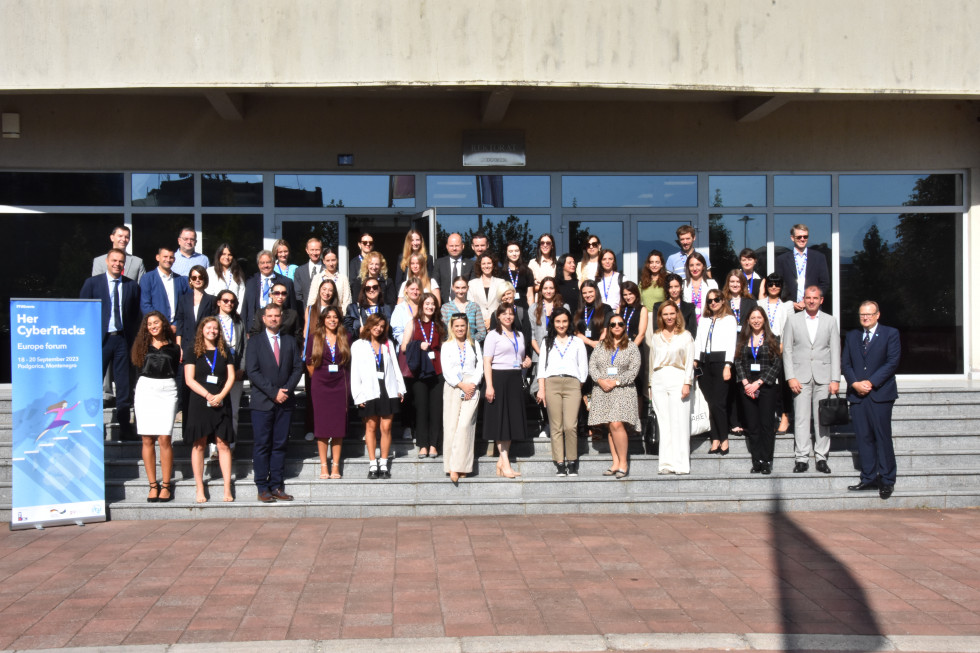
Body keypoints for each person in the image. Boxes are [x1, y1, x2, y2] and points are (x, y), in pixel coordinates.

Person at [80, 248, 141, 439]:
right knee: (93, 381)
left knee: (123, 384)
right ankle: (91, 424)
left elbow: (135, 316)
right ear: (107, 261)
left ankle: (124, 426)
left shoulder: (131, 286)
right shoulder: (92, 284)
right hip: (100, 340)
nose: (117, 264)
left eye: (121, 261)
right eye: (114, 260)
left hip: (123, 339)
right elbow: (83, 311)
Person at [842, 300, 901, 500]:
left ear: (877, 315)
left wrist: (871, 382)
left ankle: (886, 479)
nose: (865, 317)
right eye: (862, 315)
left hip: (880, 395)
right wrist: (855, 383)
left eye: (869, 314)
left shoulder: (890, 334)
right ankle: (868, 478)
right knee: (864, 437)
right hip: (858, 395)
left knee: (882, 437)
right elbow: (846, 363)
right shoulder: (852, 336)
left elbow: (892, 362)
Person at [246, 303, 303, 503]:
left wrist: (285, 390)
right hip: (262, 403)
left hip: (285, 402)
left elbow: (298, 367)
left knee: (280, 445)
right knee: (262, 445)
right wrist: (273, 392)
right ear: (263, 318)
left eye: (276, 315)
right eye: (269, 316)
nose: (273, 319)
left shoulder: (289, 341)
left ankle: (277, 485)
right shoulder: (254, 342)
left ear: (281, 318)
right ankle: (262, 486)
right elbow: (252, 371)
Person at [783, 286, 840, 474]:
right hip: (800, 377)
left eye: (815, 298)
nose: (811, 301)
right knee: (800, 419)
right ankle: (802, 458)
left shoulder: (831, 321)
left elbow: (835, 351)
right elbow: (788, 350)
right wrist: (790, 376)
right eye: (808, 298)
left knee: (822, 419)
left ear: (821, 300)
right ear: (804, 299)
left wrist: (835, 379)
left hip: (823, 377)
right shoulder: (793, 320)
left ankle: (821, 457)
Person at [184, 317, 236, 503]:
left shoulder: (225, 351)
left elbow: (231, 377)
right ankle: (199, 488)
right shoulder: (192, 351)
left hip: (222, 401)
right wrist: (208, 396)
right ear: (202, 330)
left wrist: (220, 396)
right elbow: (189, 379)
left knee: (223, 444)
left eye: (215, 328)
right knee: (199, 444)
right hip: (200, 401)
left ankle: (227, 488)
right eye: (208, 327)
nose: (212, 331)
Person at [130, 311, 180, 502]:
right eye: (149, 323)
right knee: (147, 438)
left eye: (156, 322)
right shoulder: (140, 346)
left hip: (167, 390)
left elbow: (175, 371)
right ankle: (152, 485)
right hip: (146, 389)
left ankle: (166, 485)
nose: (153, 326)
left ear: (163, 324)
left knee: (165, 437)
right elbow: (137, 370)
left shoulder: (174, 348)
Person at [350, 314, 406, 480]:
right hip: (368, 391)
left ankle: (383, 462)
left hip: (388, 389)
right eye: (375, 325)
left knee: (386, 427)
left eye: (382, 326)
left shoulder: (387, 344)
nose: (378, 328)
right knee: (371, 427)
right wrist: (358, 396)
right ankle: (372, 463)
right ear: (369, 325)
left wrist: (400, 388)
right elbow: (355, 372)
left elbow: (395, 367)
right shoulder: (358, 345)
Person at [535, 307, 588, 476]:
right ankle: (559, 462)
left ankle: (572, 460)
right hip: (552, 383)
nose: (561, 324)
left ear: (569, 322)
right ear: (553, 323)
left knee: (570, 425)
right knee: (556, 426)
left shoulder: (577, 341)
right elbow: (541, 368)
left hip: (573, 384)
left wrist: (578, 386)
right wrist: (541, 389)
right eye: (558, 321)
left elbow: (583, 368)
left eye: (564, 321)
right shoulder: (547, 341)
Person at [483, 303, 533, 478]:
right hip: (498, 378)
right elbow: (487, 362)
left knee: (510, 421)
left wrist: (526, 363)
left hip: (515, 379)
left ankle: (501, 462)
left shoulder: (519, 335)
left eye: (511, 313)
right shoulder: (492, 335)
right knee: (501, 422)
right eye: (504, 314)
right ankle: (506, 464)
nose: (508, 316)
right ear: (498, 316)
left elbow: (521, 358)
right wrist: (489, 385)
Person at [588, 314, 641, 479]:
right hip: (603, 390)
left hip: (623, 390)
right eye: (613, 324)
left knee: (617, 424)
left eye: (620, 323)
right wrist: (600, 380)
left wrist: (617, 381)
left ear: (625, 326)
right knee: (610, 426)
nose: (616, 326)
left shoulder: (631, 347)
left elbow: (633, 371)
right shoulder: (601, 346)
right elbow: (592, 366)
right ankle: (615, 462)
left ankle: (623, 463)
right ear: (608, 327)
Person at [734, 307, 782, 475]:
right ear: (748, 320)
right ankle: (757, 460)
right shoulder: (742, 340)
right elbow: (738, 362)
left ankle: (767, 460)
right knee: (753, 426)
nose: (756, 320)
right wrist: (747, 383)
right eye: (752, 317)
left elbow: (776, 364)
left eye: (759, 317)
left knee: (766, 425)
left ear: (764, 320)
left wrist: (759, 383)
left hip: (766, 387)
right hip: (747, 387)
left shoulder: (773, 338)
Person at [649, 302, 694, 475]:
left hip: (678, 377)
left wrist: (687, 383)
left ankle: (681, 464)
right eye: (665, 314)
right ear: (660, 316)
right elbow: (652, 362)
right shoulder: (656, 336)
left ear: (677, 315)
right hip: (659, 379)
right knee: (664, 422)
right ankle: (666, 464)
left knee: (680, 422)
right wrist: (651, 384)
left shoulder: (685, 336)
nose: (669, 317)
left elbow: (689, 360)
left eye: (672, 313)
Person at [306, 305, 351, 480]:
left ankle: (336, 466)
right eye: (328, 317)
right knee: (323, 428)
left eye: (335, 317)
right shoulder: (314, 337)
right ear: (323, 319)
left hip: (340, 385)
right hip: (321, 385)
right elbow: (309, 363)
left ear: (339, 319)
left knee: (338, 428)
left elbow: (348, 362)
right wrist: (319, 377)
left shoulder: (346, 336)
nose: (332, 320)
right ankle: (324, 465)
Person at [440, 313, 483, 484]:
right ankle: (452, 467)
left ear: (467, 328)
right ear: (452, 327)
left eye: (462, 326)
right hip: (454, 386)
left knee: (465, 426)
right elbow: (446, 370)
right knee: (451, 426)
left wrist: (472, 383)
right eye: (456, 326)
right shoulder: (447, 346)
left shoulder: (474, 345)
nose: (459, 329)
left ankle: (461, 465)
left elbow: (480, 366)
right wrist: (460, 384)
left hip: (471, 386)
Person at [693, 289, 737, 455]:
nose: (713, 303)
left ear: (722, 300)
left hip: (721, 362)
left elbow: (731, 343)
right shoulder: (704, 320)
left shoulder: (729, 320)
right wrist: (696, 361)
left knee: (719, 403)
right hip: (705, 363)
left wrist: (728, 365)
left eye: (716, 300)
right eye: (710, 300)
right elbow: (698, 341)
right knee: (710, 403)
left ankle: (724, 438)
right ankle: (715, 438)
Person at [400, 293, 444, 458]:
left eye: (432, 304)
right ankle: (423, 445)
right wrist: (418, 345)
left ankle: (434, 445)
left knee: (436, 409)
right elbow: (404, 347)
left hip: (437, 371)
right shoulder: (412, 323)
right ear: (421, 305)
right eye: (427, 304)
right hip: (420, 373)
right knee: (421, 409)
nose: (430, 307)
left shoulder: (439, 324)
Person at [301, 278, 340, 441]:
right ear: (319, 290)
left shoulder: (337, 310)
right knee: (312, 395)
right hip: (315, 354)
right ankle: (312, 427)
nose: (327, 292)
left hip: (331, 357)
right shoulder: (311, 309)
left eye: (330, 289)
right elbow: (305, 333)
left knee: (332, 397)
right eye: (324, 288)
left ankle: (332, 428)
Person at [761, 273, 795, 434]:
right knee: (766, 384)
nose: (773, 287)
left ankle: (785, 416)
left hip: (782, 345)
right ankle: (768, 417)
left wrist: (783, 345)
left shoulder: (787, 305)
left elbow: (791, 327)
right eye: (770, 284)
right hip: (763, 345)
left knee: (782, 385)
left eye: (777, 284)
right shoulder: (759, 303)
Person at [774, 223, 830, 311]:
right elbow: (778, 284)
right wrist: (790, 303)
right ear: (792, 238)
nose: (802, 239)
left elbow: (824, 283)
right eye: (799, 237)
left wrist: (809, 300)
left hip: (813, 307)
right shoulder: (782, 259)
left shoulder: (819, 257)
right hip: (790, 308)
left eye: (805, 237)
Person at [214, 289, 246, 435]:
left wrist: (242, 367)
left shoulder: (239, 322)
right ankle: (215, 447)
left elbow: (245, 346)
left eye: (232, 301)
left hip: (236, 367)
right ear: (219, 302)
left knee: (233, 409)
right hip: (217, 369)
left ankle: (231, 445)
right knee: (216, 407)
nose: (229, 304)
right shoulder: (212, 321)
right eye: (225, 300)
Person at [241, 250, 296, 332]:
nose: (265, 265)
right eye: (262, 263)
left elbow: (292, 308)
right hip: (255, 329)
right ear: (258, 265)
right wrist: (245, 330)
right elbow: (245, 307)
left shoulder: (286, 282)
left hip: (280, 329)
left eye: (268, 262)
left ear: (274, 263)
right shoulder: (250, 282)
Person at [174, 265, 216, 357]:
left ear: (205, 279)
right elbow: (180, 323)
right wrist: (179, 346)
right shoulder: (183, 299)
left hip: (206, 344)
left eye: (200, 277)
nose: (197, 280)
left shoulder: (212, 300)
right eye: (194, 277)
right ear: (190, 280)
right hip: (187, 344)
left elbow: (214, 324)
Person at [139, 247, 187, 326]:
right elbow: (145, 305)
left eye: (171, 257)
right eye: (165, 257)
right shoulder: (147, 278)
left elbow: (184, 305)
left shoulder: (180, 280)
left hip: (175, 328)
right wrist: (160, 323)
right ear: (158, 257)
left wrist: (176, 324)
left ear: (174, 260)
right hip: (156, 327)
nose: (168, 260)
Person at [440, 276, 486, 344]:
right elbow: (443, 332)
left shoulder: (475, 307)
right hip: (452, 347)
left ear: (468, 288)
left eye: (463, 288)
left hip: (471, 346)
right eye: (457, 288)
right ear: (453, 287)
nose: (460, 291)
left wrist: (468, 342)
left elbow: (482, 332)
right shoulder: (445, 308)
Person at [468, 253, 507, 331]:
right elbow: (471, 306)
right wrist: (481, 322)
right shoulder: (472, 283)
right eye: (483, 263)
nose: (486, 266)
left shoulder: (501, 282)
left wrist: (492, 319)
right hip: (478, 326)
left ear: (493, 265)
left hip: (497, 324)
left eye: (489, 263)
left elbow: (503, 304)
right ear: (480, 265)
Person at [305, 248, 352, 312]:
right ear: (323, 261)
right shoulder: (317, 278)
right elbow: (311, 300)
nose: (331, 264)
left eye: (333, 260)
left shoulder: (343, 278)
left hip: (337, 317)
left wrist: (340, 316)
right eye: (328, 260)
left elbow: (347, 302)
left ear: (337, 260)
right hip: (319, 315)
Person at [653, 273, 698, 338]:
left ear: (681, 287)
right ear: (667, 289)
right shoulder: (658, 306)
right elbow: (657, 329)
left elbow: (692, 332)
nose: (674, 290)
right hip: (664, 343)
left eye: (676, 286)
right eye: (670, 287)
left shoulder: (689, 307)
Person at [205, 243, 246, 308]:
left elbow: (242, 294)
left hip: (234, 311)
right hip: (216, 311)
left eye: (229, 255)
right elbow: (209, 293)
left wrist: (238, 311)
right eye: (223, 254)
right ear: (218, 255)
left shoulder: (237, 272)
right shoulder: (210, 271)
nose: (227, 257)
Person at [682, 252, 718, 321]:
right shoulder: (683, 284)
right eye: (691, 265)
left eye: (698, 264)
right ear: (688, 267)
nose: (695, 268)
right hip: (687, 324)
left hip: (706, 323)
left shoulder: (712, 284)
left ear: (703, 266)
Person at [292, 237, 324, 306]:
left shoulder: (327, 270)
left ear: (321, 250)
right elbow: (298, 294)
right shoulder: (299, 271)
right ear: (307, 250)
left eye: (317, 250)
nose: (314, 253)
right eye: (312, 250)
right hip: (305, 311)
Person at [502, 240, 535, 309]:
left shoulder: (527, 271)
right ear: (506, 253)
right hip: (506, 309)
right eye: (510, 251)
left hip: (523, 308)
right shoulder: (501, 272)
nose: (514, 254)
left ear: (520, 252)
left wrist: (531, 311)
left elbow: (530, 295)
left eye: (516, 251)